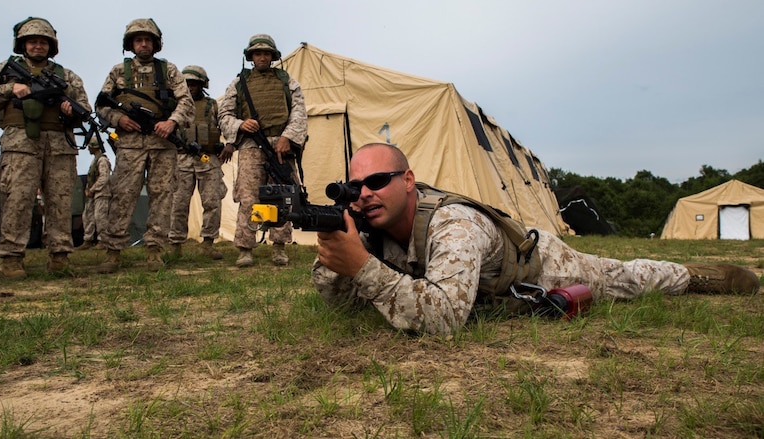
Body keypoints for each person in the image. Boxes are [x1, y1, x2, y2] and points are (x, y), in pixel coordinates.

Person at [312, 143, 761, 335]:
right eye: (355, 186)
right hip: (494, 290)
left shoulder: (453, 222)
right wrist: (339, 254)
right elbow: (345, 303)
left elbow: (443, 320)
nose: (365, 193)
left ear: (409, 180)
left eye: (378, 180)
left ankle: (692, 276)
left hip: (543, 267)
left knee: (627, 279)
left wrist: (363, 267)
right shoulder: (374, 226)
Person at [0, 17, 92, 278]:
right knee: (17, 201)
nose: (37, 46)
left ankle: (59, 257)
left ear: (51, 46)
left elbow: (85, 109)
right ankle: (12, 259)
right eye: (32, 41)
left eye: (43, 42)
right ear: (23, 44)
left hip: (59, 147)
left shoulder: (66, 76)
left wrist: (71, 112)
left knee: (61, 202)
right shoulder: (3, 71)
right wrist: (12, 88)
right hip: (20, 146)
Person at [95, 18, 194, 273]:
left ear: (155, 43)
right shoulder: (118, 71)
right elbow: (101, 105)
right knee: (122, 196)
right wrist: (120, 119)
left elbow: (186, 102)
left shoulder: (170, 70)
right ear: (131, 44)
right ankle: (113, 251)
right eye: (138, 40)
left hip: (162, 144)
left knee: (162, 197)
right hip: (130, 145)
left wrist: (171, 123)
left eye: (148, 40)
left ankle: (154, 250)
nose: (143, 44)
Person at [218, 33, 307, 267]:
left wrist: (287, 138)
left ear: (273, 56)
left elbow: (299, 112)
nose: (262, 57)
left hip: (280, 147)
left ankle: (279, 247)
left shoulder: (287, 81)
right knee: (248, 197)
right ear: (251, 56)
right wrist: (240, 124)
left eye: (266, 53)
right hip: (251, 145)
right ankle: (245, 248)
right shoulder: (239, 83)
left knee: (282, 196)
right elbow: (224, 114)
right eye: (257, 53)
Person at [168, 65, 225, 260]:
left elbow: (223, 126)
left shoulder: (212, 105)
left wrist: (228, 145)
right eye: (187, 83)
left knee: (212, 202)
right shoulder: (174, 106)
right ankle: (175, 244)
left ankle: (208, 243)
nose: (190, 87)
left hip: (208, 159)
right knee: (178, 203)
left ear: (202, 85)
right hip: (182, 159)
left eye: (194, 83)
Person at [78, 139, 111, 250]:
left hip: (101, 193)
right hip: (93, 194)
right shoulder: (95, 160)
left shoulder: (102, 160)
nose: (88, 149)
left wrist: (92, 189)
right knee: (87, 216)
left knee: (100, 217)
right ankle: (88, 240)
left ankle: (103, 241)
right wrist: (88, 190)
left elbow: (104, 178)